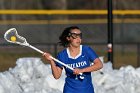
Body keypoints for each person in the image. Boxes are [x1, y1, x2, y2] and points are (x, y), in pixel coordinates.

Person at [43, 26, 103, 93]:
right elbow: (57, 76)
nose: (78, 38)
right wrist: (51, 60)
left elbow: (99, 64)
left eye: (80, 35)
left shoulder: (86, 50)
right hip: (69, 90)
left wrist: (82, 70)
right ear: (68, 38)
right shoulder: (62, 55)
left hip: (86, 90)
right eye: (75, 36)